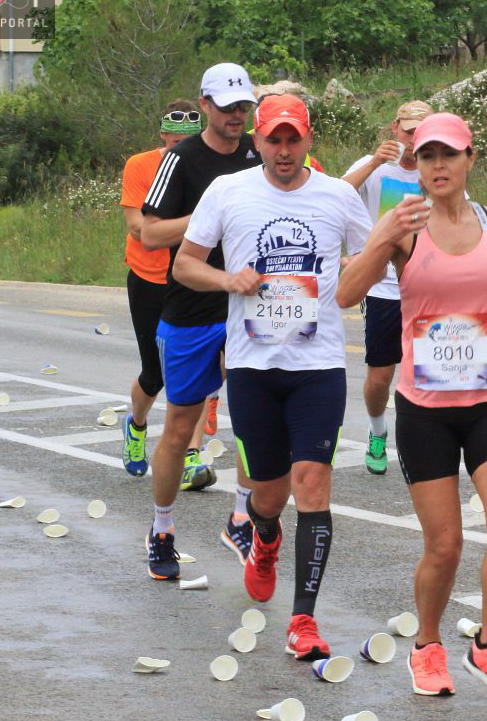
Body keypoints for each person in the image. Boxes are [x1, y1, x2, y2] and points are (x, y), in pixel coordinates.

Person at [338, 113, 487, 699]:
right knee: (444, 547)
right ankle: (427, 646)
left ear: (470, 160)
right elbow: (345, 294)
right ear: (414, 163)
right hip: (425, 410)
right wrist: (384, 236)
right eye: (427, 156)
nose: (438, 166)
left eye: (449, 155)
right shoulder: (404, 226)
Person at [174, 94, 371, 660]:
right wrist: (228, 281)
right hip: (253, 368)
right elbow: (184, 264)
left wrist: (367, 269)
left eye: (293, 139)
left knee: (312, 484)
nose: (284, 151)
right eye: (273, 140)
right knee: (269, 494)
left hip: (318, 367)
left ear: (309, 140)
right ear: (256, 141)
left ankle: (303, 620)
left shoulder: (337, 196)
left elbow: (372, 258)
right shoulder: (228, 191)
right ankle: (263, 535)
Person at [138, 63, 261, 580]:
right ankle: (162, 527)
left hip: (252, 306)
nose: (237, 116)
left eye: (244, 106)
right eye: (227, 107)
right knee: (179, 428)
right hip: (192, 309)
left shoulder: (261, 150)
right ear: (205, 105)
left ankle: (243, 518)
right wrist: (213, 213)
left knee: (256, 419)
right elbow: (149, 234)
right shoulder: (181, 158)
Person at [118, 100, 211, 482]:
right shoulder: (140, 165)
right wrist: (202, 222)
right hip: (149, 278)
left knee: (198, 370)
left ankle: (191, 456)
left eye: (187, 143)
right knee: (154, 374)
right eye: (174, 142)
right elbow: (139, 227)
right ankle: (137, 425)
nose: (180, 150)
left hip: (193, 278)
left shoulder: (207, 165)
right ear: (162, 135)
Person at [342, 100, 432, 474]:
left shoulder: (436, 170)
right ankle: (377, 430)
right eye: (409, 131)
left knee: (425, 372)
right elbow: (333, 195)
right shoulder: (374, 166)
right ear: (395, 128)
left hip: (426, 285)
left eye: (422, 133)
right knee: (381, 376)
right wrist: (374, 163)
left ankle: (422, 441)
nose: (414, 140)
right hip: (382, 287)